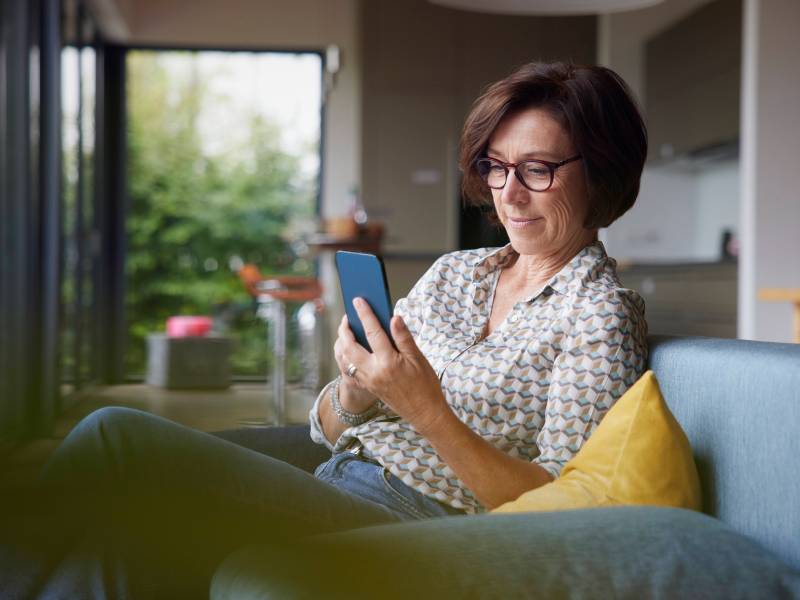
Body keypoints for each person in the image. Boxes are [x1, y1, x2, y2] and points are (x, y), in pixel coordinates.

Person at [2, 61, 648, 598]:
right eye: (496, 167)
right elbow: (326, 429)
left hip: (423, 520)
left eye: (538, 169)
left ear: (601, 172)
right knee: (123, 545)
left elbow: (558, 508)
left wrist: (425, 409)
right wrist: (356, 394)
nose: (509, 194)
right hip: (335, 475)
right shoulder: (458, 273)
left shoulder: (598, 314)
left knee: (117, 437)